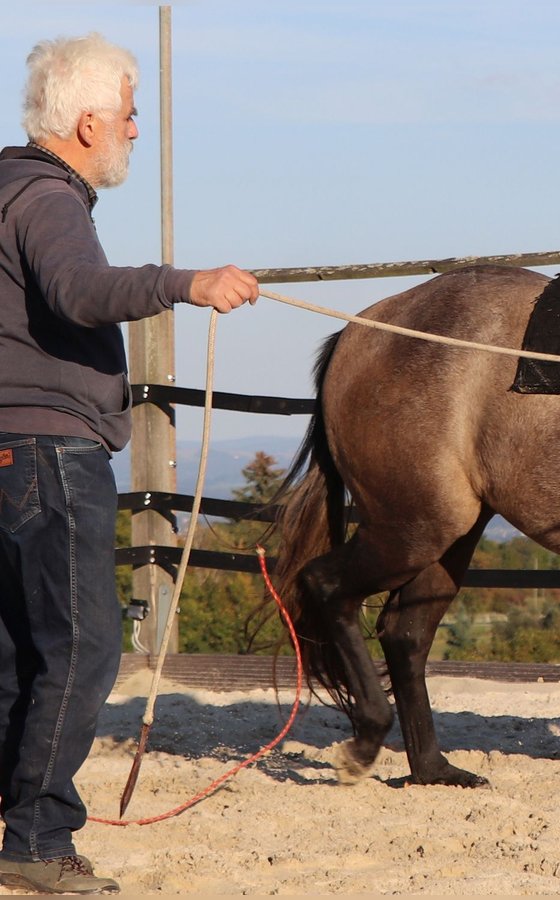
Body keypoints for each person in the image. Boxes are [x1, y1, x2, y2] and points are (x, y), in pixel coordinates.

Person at [0, 33, 258, 894]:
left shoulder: (4, 189)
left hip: (9, 454)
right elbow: (79, 290)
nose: (137, 130)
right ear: (85, 121)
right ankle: (37, 844)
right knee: (81, 646)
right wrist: (187, 283)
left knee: (17, 653)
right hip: (48, 452)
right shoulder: (47, 198)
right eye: (130, 113)